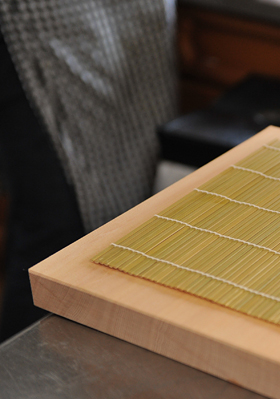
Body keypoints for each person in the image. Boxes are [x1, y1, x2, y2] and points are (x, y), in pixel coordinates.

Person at [0, 1, 177, 342]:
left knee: (114, 224)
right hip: (39, 23)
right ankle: (20, 369)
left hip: (125, 19)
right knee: (55, 235)